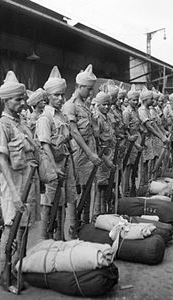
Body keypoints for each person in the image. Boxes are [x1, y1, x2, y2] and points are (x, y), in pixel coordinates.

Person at [0, 71, 39, 289]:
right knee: (12, 231)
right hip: (13, 187)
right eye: (18, 100)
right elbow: (2, 162)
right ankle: (5, 276)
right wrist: (15, 195)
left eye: (21, 99)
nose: (22, 103)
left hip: (26, 183)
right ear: (6, 101)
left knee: (24, 229)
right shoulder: (1, 127)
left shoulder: (21, 124)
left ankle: (18, 271)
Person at [36, 66, 77, 240]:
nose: (60, 99)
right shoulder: (45, 118)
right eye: (56, 95)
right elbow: (45, 145)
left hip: (64, 163)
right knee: (48, 203)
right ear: (48, 97)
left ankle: (60, 238)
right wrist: (54, 168)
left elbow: (68, 143)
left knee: (63, 202)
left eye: (62, 95)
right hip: (50, 165)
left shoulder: (62, 116)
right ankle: (44, 241)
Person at [62, 64, 102, 224]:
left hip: (89, 151)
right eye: (89, 89)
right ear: (80, 86)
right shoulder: (70, 105)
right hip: (80, 153)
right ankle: (74, 225)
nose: (91, 93)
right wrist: (90, 154)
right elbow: (74, 132)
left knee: (88, 188)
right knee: (76, 190)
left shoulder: (85, 106)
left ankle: (85, 224)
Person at [93, 91, 116, 214]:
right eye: (104, 105)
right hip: (102, 156)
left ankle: (105, 212)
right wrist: (106, 160)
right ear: (98, 105)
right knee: (100, 186)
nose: (107, 107)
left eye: (108, 104)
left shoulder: (106, 117)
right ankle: (98, 214)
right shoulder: (97, 118)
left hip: (109, 153)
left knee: (108, 184)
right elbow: (97, 142)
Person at [122, 84, 141, 195]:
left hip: (136, 139)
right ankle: (125, 191)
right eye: (133, 100)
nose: (135, 102)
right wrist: (131, 139)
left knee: (134, 165)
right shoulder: (126, 112)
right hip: (129, 142)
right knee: (127, 167)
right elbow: (125, 129)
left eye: (137, 100)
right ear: (128, 100)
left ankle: (131, 187)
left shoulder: (135, 111)